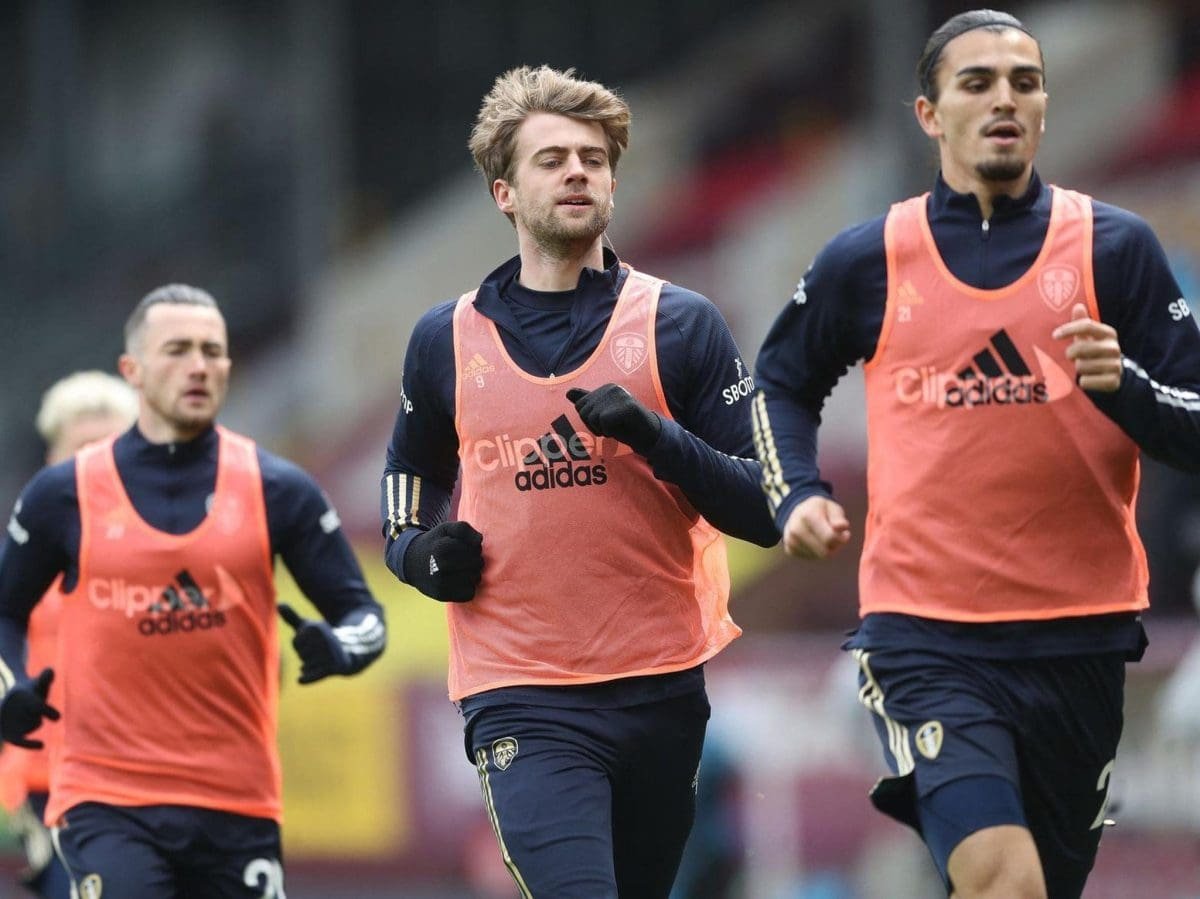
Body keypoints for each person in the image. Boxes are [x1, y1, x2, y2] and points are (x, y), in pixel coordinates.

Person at [752, 9, 1200, 899]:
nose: (1004, 99)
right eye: (977, 82)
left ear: (1044, 107)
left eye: (1023, 83)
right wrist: (794, 492)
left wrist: (1128, 390)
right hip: (926, 637)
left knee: (1042, 884)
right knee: (1006, 878)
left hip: (1081, 639)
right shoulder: (869, 259)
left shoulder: (1117, 249)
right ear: (929, 113)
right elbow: (779, 382)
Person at [380, 65, 778, 899]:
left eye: (594, 159)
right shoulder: (443, 340)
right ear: (504, 192)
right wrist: (421, 556)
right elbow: (405, 496)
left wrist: (659, 438)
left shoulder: (681, 324)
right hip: (519, 695)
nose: (577, 172)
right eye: (553, 158)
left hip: (662, 692)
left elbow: (768, 505)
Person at [0, 284, 387, 898]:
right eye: (178, 350)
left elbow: (363, 615)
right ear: (133, 370)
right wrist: (12, 686)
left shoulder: (278, 489)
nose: (199, 365)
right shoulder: (62, 495)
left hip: (238, 803)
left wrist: (341, 648)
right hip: (107, 799)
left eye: (213, 351)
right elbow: (6, 610)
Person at [0, 371, 138, 899]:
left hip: (157, 779)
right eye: (81, 447)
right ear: (53, 459)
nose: (95, 463)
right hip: (52, 783)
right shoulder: (24, 555)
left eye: (110, 447)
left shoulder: (176, 544)